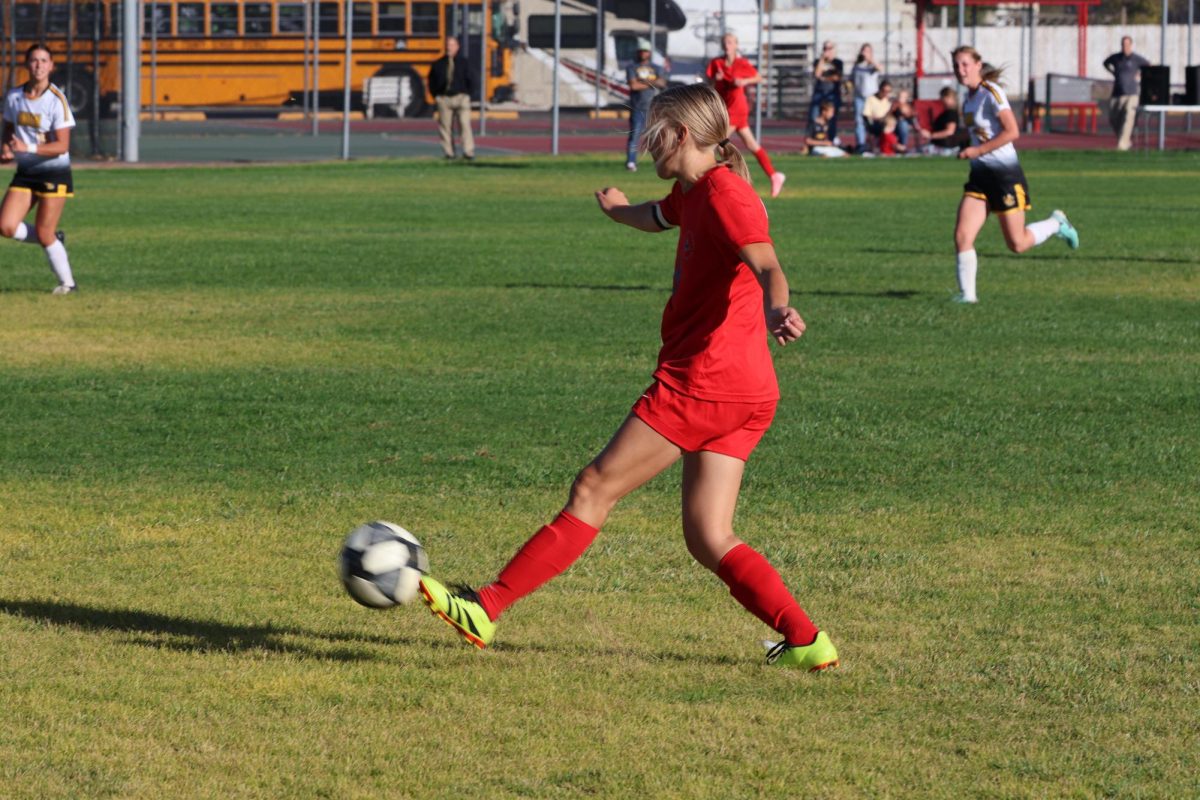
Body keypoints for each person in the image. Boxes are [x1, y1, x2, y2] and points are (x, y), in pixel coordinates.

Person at [417, 83, 839, 672]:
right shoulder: (694, 190)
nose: (645, 141)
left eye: (653, 131)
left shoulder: (725, 195)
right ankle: (806, 640)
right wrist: (618, 210)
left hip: (703, 384)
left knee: (594, 488)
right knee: (708, 534)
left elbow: (768, 264)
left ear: (683, 134)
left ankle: (486, 606)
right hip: (747, 391)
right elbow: (657, 216)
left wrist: (777, 309)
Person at [951, 46, 1079, 304]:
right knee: (962, 236)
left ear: (978, 64)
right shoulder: (968, 98)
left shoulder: (991, 93)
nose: (960, 70)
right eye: (956, 65)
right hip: (980, 177)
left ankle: (1057, 224)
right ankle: (968, 298)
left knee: (1017, 244)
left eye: (965, 64)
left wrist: (978, 150)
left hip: (1004, 176)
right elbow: (980, 132)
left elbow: (1012, 131)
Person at [0, 43, 76, 294]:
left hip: (54, 172)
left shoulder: (57, 100)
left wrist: (28, 147)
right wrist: (7, 149)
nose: (39, 65)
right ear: (26, 65)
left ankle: (68, 284)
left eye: (44, 61)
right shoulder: (14, 96)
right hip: (27, 173)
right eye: (34, 60)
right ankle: (55, 239)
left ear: (52, 66)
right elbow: (9, 128)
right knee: (6, 226)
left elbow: (62, 145)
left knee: (44, 232)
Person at [707, 32, 786, 198]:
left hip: (737, 108)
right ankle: (774, 175)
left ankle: (732, 178)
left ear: (736, 45)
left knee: (718, 144)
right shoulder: (717, 63)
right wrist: (715, 79)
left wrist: (744, 81)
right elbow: (710, 84)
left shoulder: (741, 64)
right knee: (751, 145)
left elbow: (758, 77)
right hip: (724, 108)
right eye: (724, 42)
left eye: (730, 42)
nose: (726, 45)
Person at [428, 36, 475, 161]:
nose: (449, 47)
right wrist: (436, 96)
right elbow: (431, 82)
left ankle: (468, 152)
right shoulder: (438, 64)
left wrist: (467, 94)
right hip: (444, 99)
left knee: (464, 124)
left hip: (461, 97)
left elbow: (471, 79)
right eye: (447, 45)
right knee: (445, 127)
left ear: (457, 47)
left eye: (452, 45)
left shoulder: (464, 63)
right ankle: (449, 153)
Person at [625, 39, 668, 171]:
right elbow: (633, 85)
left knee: (658, 137)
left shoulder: (657, 67)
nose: (644, 53)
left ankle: (660, 161)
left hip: (654, 108)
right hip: (637, 107)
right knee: (634, 136)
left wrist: (645, 82)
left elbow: (662, 83)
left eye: (646, 51)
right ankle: (631, 162)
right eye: (641, 51)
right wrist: (652, 82)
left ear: (649, 53)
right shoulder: (632, 67)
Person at [1102, 36, 1150, 152]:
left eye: (1127, 44)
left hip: (1132, 94)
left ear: (1131, 45)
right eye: (1123, 44)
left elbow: (1149, 66)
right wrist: (1113, 72)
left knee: (1128, 118)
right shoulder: (1116, 58)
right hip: (1117, 93)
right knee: (1113, 118)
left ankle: (1122, 146)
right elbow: (1105, 63)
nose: (1125, 47)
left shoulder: (1136, 59)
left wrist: (1140, 75)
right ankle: (1125, 140)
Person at [810, 41, 844, 143]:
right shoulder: (818, 61)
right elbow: (817, 74)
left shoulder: (838, 62)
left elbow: (837, 77)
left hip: (832, 94)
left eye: (829, 48)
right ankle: (813, 140)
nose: (827, 51)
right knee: (815, 117)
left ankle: (831, 140)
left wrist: (824, 78)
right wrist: (822, 59)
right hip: (819, 94)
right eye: (825, 48)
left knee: (831, 119)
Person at [850, 44, 881, 154]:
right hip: (859, 97)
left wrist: (870, 59)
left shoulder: (871, 65)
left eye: (867, 51)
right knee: (859, 121)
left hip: (871, 98)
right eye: (863, 50)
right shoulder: (857, 66)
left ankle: (875, 144)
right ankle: (861, 144)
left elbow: (879, 68)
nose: (865, 53)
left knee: (873, 122)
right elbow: (851, 79)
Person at [920, 86, 969, 154]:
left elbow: (949, 131)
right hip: (943, 146)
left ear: (948, 98)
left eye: (942, 97)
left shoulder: (951, 113)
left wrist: (930, 135)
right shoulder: (949, 112)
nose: (940, 99)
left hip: (945, 147)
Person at [860, 80, 894, 153]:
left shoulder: (889, 101)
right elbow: (866, 114)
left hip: (889, 122)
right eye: (884, 91)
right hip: (876, 123)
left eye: (888, 91)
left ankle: (899, 147)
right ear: (880, 89)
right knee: (886, 127)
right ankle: (887, 147)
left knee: (902, 125)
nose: (886, 93)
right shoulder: (871, 99)